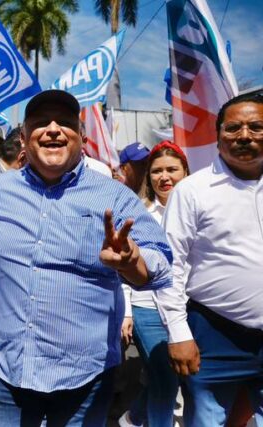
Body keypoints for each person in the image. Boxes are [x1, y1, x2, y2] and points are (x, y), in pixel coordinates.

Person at [0, 90, 172, 425]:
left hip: (84, 377)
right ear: (24, 138)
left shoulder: (114, 196)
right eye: (41, 123)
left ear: (82, 138)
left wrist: (133, 263)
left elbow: (161, 261)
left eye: (65, 123)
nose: (53, 129)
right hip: (7, 371)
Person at [156, 92, 263, 425]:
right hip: (212, 335)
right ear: (218, 137)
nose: (244, 135)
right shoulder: (192, 191)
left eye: (257, 127)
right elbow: (169, 266)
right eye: (233, 128)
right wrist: (179, 334)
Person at [120, 141, 189, 427]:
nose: (164, 177)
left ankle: (133, 418)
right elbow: (124, 266)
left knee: (172, 376)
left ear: (185, 171)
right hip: (147, 308)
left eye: (172, 169)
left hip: (189, 308)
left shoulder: (198, 209)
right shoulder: (139, 215)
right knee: (165, 378)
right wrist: (126, 312)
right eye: (157, 171)